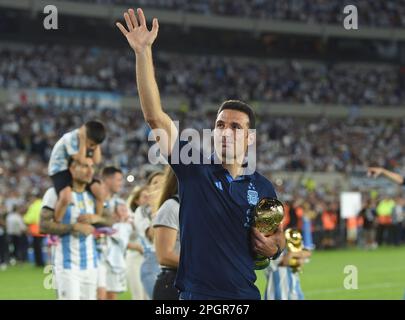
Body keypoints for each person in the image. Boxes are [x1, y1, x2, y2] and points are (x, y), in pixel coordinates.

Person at [117, 8, 285, 300]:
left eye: (236, 127)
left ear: (250, 138)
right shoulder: (194, 168)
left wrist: (275, 248)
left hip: (246, 295)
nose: (226, 131)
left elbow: (276, 236)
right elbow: (155, 117)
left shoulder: (262, 187)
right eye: (220, 125)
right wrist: (143, 53)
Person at [39, 157, 113, 300]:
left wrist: (96, 218)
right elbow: (43, 225)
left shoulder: (93, 194)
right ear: (72, 169)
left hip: (91, 265)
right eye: (85, 166)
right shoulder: (55, 193)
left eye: (92, 166)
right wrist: (73, 227)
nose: (90, 171)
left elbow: (110, 221)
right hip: (67, 266)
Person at [48, 121, 106, 223]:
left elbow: (96, 160)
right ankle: (56, 224)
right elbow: (80, 160)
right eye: (91, 144)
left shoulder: (91, 140)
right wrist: (83, 141)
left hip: (77, 170)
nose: (92, 147)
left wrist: (96, 145)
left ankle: (96, 222)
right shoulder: (69, 138)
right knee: (66, 197)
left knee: (100, 192)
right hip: (60, 170)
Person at [96, 166, 124, 300]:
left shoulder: (120, 203)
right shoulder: (94, 199)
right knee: (99, 295)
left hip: (114, 255)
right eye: (118, 180)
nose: (121, 183)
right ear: (107, 180)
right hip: (96, 253)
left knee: (112, 295)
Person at [152, 166, 180, 300]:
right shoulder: (171, 206)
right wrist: (200, 266)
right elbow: (164, 256)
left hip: (191, 281)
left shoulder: (193, 208)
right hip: (172, 283)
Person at [105, 200, 135, 300]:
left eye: (125, 209)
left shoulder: (127, 226)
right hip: (106, 262)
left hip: (115, 264)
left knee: (111, 295)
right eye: (121, 209)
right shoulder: (112, 225)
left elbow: (122, 240)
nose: (124, 212)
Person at [126, 185, 149, 300]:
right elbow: (120, 240)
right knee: (138, 296)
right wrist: (136, 247)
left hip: (149, 260)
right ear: (136, 200)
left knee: (149, 296)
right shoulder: (129, 217)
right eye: (145, 197)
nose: (148, 199)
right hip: (135, 259)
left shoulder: (152, 217)